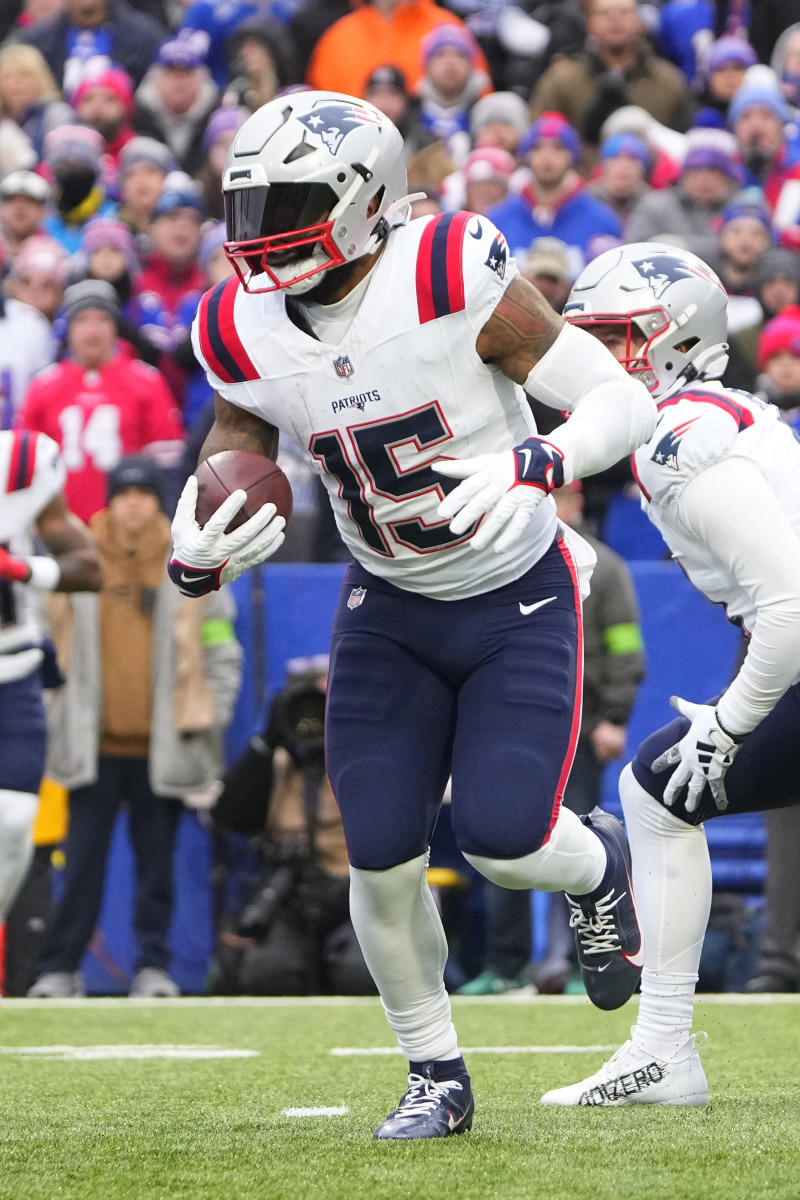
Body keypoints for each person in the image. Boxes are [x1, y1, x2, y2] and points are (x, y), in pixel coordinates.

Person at [168, 90, 657, 1140]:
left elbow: (618, 398)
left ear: (362, 197)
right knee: (377, 852)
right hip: (385, 602)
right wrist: (191, 536)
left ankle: (599, 863)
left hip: (515, 594)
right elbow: (233, 443)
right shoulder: (237, 322)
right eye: (247, 208)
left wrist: (541, 457)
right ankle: (434, 1071)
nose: (258, 235)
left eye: (287, 203)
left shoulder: (445, 270)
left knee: (502, 837)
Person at [541, 239, 800, 1107]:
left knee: (656, 790)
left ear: (674, 341)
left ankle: (662, 1050)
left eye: (616, 340)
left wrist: (728, 723)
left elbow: (791, 613)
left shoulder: (677, 437)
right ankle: (660, 1051)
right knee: (656, 791)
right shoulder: (708, 413)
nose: (594, 362)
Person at [28, 455, 242, 999]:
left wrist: (209, 712)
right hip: (91, 740)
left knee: (157, 869)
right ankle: (60, 968)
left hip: (163, 742)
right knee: (80, 866)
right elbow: (36, 641)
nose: (133, 503)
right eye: (123, 493)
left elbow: (221, 649)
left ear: (158, 500)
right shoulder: (76, 557)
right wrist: (52, 713)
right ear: (108, 499)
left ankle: (153, 967)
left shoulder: (190, 557)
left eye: (144, 493)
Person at [210, 656, 373, 996]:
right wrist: (267, 741)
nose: (314, 718)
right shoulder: (276, 762)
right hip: (289, 892)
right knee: (267, 976)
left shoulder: (369, 754)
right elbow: (228, 815)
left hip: (361, 891)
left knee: (362, 974)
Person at [0, 427, 101, 935]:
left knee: (15, 820)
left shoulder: (21, 463)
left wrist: (19, 568)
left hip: (11, 668)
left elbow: (89, 569)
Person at [17, 279, 184, 522]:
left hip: (129, 529)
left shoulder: (147, 380)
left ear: (116, 326)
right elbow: (25, 466)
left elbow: (167, 467)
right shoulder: (43, 385)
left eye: (102, 320)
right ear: (69, 328)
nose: (92, 330)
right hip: (60, 527)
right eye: (82, 320)